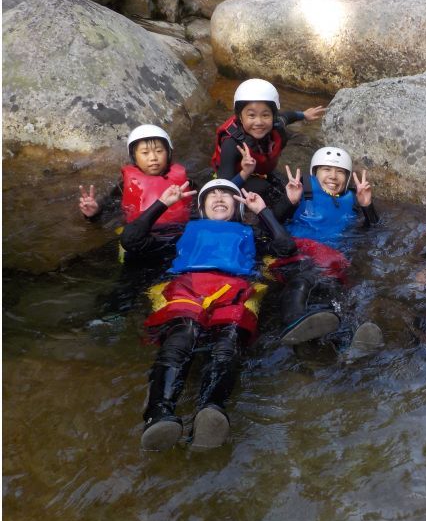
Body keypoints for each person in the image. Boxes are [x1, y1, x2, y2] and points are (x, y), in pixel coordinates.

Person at [121, 178, 297, 451]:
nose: (219, 197)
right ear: (201, 208)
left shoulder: (251, 233)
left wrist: (263, 211)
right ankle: (159, 412)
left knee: (227, 344)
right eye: (212, 194)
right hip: (188, 286)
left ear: (238, 207)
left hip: (235, 289)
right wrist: (162, 204)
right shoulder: (183, 231)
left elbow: (286, 248)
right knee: (182, 337)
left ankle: (211, 408)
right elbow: (131, 240)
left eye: (226, 195)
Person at [268, 146, 382, 350]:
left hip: (331, 262)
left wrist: (367, 206)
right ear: (315, 172)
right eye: (326, 170)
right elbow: (272, 222)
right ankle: (294, 323)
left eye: (340, 172)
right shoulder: (301, 191)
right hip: (299, 255)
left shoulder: (352, 201)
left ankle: (344, 343)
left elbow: (373, 231)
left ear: (347, 177)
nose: (333, 176)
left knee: (333, 296)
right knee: (302, 282)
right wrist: (289, 201)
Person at [211, 78, 326, 215]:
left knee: (290, 187)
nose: (259, 122)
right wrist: (245, 172)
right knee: (265, 189)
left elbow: (287, 116)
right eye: (251, 115)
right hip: (236, 178)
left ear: (273, 116)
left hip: (260, 171)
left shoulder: (276, 125)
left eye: (265, 115)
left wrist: (304, 115)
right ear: (240, 117)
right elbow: (223, 189)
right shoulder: (231, 145)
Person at [78, 124, 194, 227]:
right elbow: (107, 213)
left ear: (168, 153)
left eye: (159, 151)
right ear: (134, 158)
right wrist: (94, 213)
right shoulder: (124, 186)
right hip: (140, 234)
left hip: (179, 229)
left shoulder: (185, 183)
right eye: (145, 153)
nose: (153, 157)